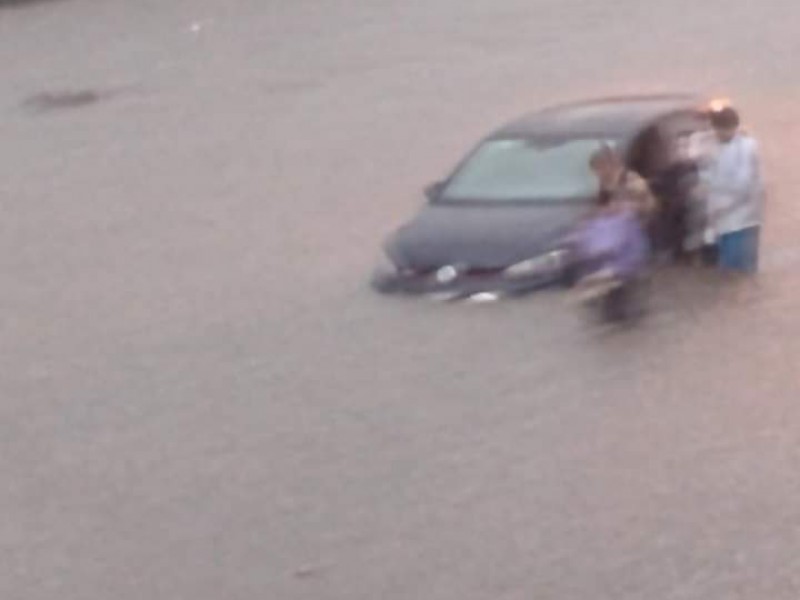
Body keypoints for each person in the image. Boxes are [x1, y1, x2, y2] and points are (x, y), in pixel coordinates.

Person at [572, 186, 651, 322]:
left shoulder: (625, 221)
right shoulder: (599, 222)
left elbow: (629, 247)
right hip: (607, 264)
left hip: (624, 264)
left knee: (608, 282)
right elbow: (588, 243)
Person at [703, 106, 764, 273]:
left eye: (723, 129)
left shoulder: (747, 148)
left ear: (733, 128)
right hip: (722, 220)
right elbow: (709, 179)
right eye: (717, 129)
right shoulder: (713, 147)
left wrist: (719, 210)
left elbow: (743, 187)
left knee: (738, 273)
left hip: (742, 221)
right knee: (728, 271)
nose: (719, 133)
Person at [589, 146, 658, 221]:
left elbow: (651, 205)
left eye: (599, 168)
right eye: (596, 169)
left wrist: (625, 207)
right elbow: (602, 206)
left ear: (611, 165)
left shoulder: (632, 180)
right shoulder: (605, 185)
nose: (598, 174)